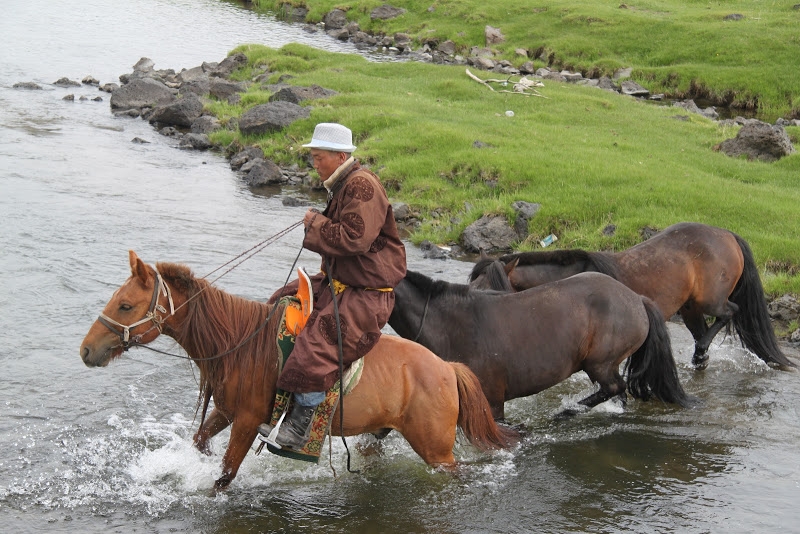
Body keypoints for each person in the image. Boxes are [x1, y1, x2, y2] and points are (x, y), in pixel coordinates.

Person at [262, 122, 407, 450]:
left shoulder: (361, 187)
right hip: (343, 283)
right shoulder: (344, 183)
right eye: (313, 157)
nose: (314, 163)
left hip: (366, 296)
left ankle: (300, 427)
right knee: (279, 302)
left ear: (340, 155)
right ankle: (275, 402)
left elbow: (354, 239)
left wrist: (316, 223)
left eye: (318, 157)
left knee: (317, 344)